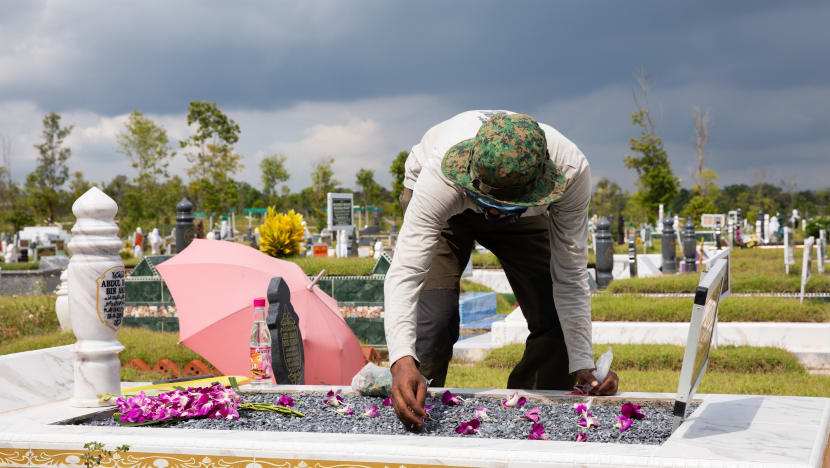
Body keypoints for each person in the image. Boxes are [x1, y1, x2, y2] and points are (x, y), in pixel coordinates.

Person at [384, 111, 618, 431]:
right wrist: (400, 359)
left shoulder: (571, 172)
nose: (493, 213)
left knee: (554, 320)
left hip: (523, 214)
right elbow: (406, 270)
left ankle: (525, 423)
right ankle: (415, 419)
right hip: (450, 199)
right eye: (489, 203)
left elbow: (570, 275)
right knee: (433, 323)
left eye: (504, 207)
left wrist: (583, 364)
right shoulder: (441, 174)